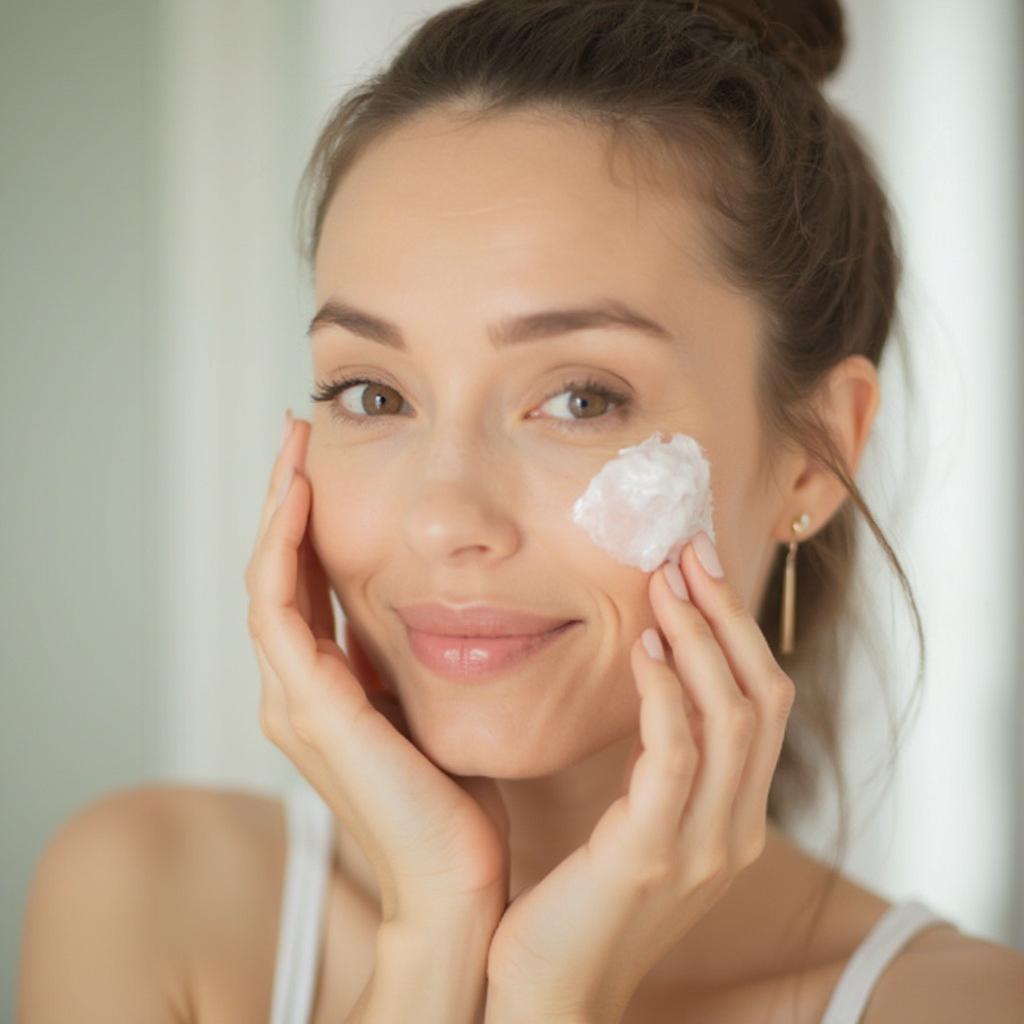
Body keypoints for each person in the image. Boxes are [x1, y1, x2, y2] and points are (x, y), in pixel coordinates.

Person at [17, 1, 1024, 1022]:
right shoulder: (151, 901)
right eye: (374, 394)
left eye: (580, 398)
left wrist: (553, 996)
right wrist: (433, 933)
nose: (442, 518)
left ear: (817, 453)